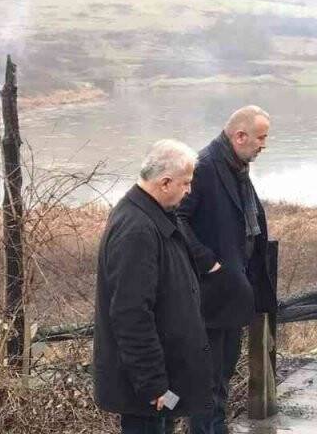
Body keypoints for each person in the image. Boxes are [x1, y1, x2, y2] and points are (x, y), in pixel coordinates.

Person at [93, 139, 214, 434]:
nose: (189, 190)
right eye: (186, 183)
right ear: (165, 182)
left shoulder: (154, 215)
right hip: (148, 390)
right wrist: (153, 385)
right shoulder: (136, 229)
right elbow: (130, 314)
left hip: (164, 378)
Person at [179, 106, 277, 434]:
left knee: (222, 375)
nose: (264, 145)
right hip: (210, 293)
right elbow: (176, 218)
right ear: (240, 136)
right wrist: (206, 260)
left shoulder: (237, 167)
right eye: (261, 137)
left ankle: (216, 429)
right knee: (207, 379)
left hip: (233, 291)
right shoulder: (204, 166)